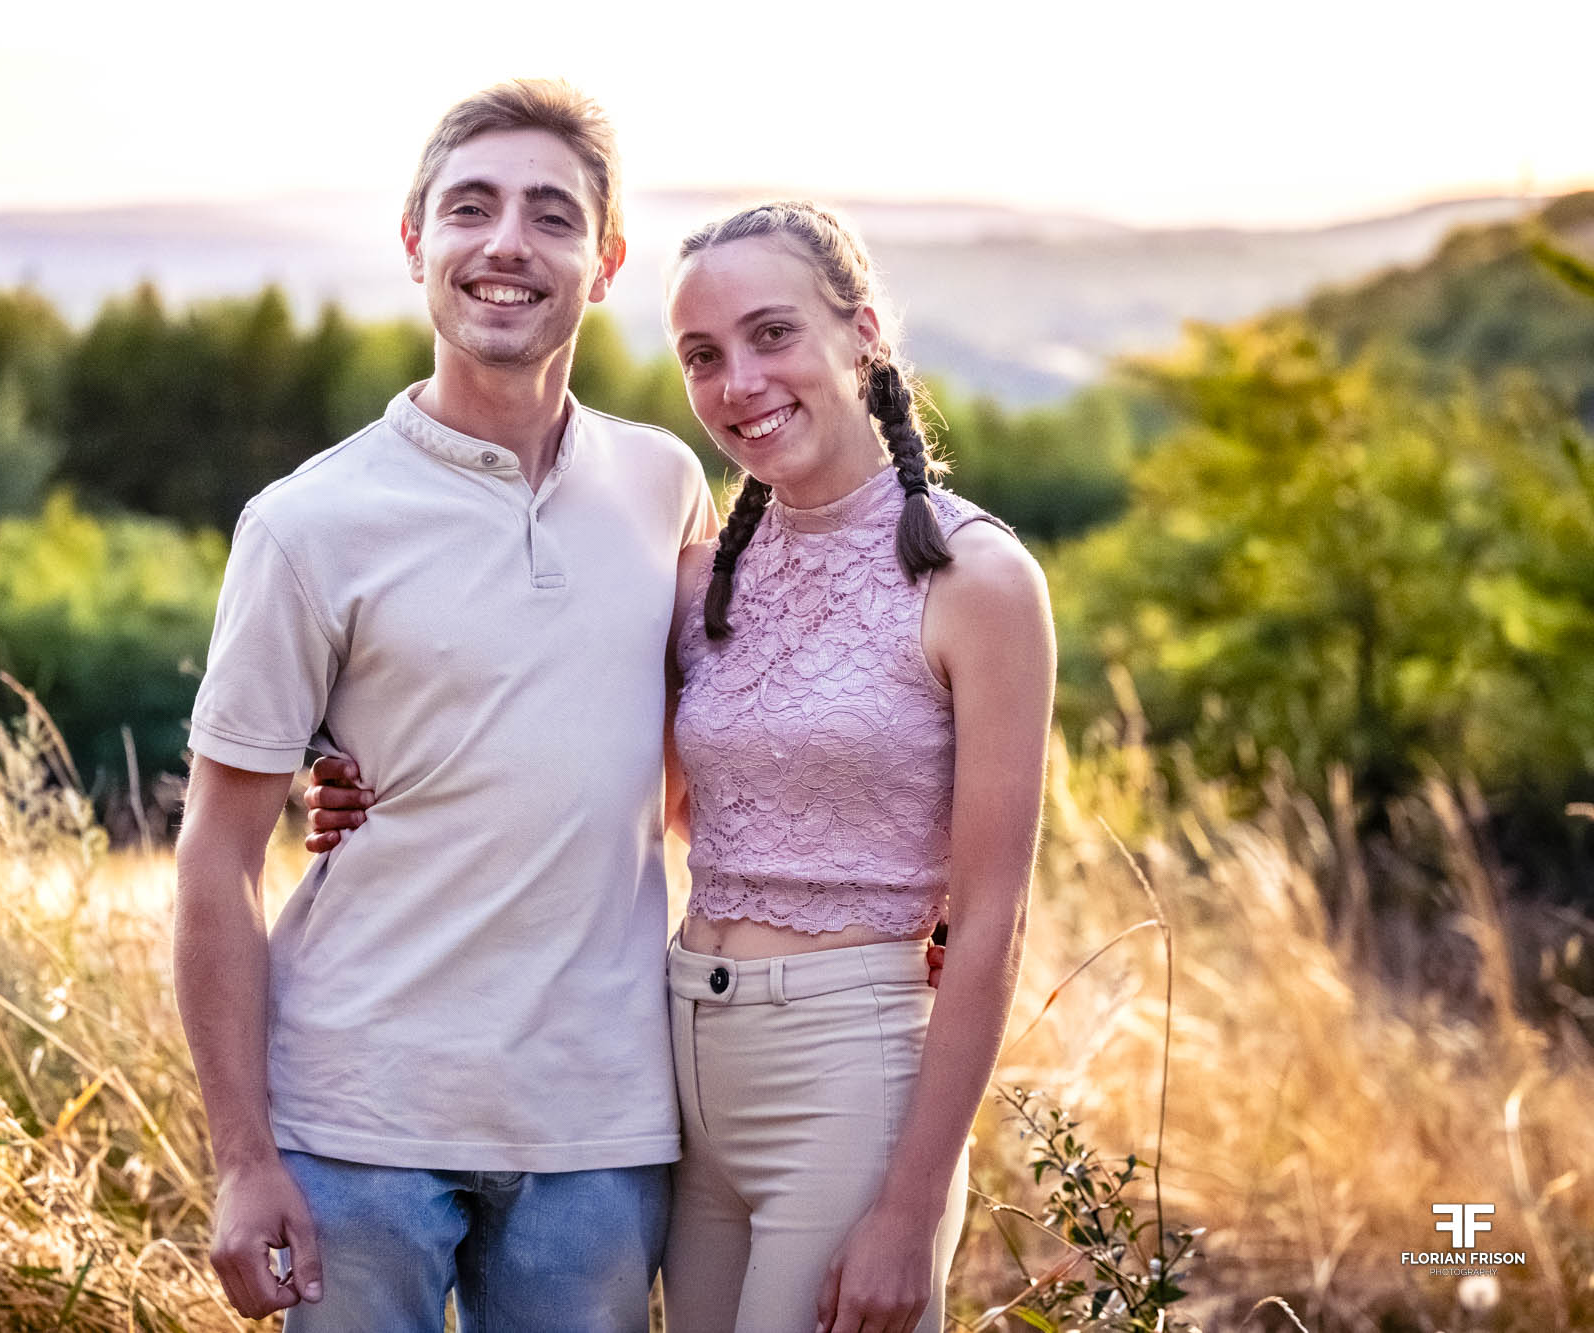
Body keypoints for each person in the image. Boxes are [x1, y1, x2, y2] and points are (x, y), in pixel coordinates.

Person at [312, 201, 1056, 1332]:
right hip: (676, 1064)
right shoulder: (701, 574)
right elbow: (607, 774)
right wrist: (363, 778)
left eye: (771, 336)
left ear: (860, 334)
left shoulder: (977, 579)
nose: (737, 382)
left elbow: (992, 917)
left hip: (848, 1070)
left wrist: (908, 1212)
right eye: (702, 357)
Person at [173, 80, 716, 1331]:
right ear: (415, 241)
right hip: (355, 1123)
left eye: (551, 214)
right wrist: (243, 1159)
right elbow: (213, 855)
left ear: (606, 260)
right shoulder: (305, 524)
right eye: (468, 208)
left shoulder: (663, 482)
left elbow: (695, 763)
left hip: (600, 1125)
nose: (505, 244)